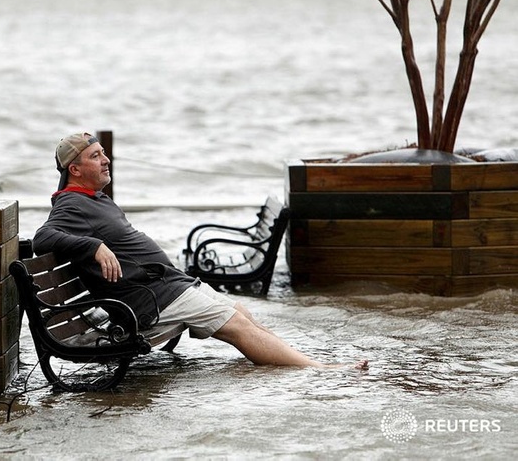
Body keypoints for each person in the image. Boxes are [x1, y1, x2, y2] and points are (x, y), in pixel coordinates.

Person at [33, 132, 368, 370]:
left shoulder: (93, 199)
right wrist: (93, 246)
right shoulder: (71, 204)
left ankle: (305, 361)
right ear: (74, 170)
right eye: (96, 156)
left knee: (243, 315)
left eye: (104, 153)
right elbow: (42, 237)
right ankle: (318, 370)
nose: (106, 160)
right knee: (237, 326)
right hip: (150, 301)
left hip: (168, 286)